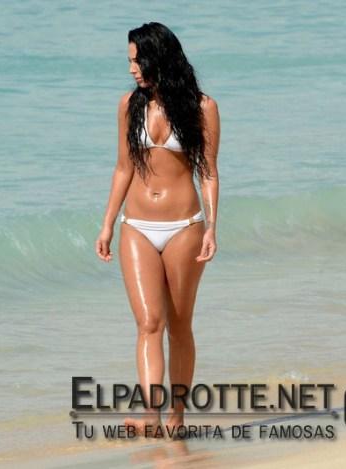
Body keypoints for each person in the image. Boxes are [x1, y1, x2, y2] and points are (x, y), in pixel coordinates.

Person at [95, 22, 220, 437]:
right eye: (129, 61)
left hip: (185, 227)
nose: (131, 69)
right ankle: (151, 414)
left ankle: (176, 418)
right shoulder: (128, 105)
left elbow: (208, 172)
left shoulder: (202, 108)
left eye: (137, 60)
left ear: (159, 58)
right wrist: (107, 224)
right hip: (137, 227)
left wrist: (212, 227)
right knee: (149, 322)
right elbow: (123, 168)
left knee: (179, 325)